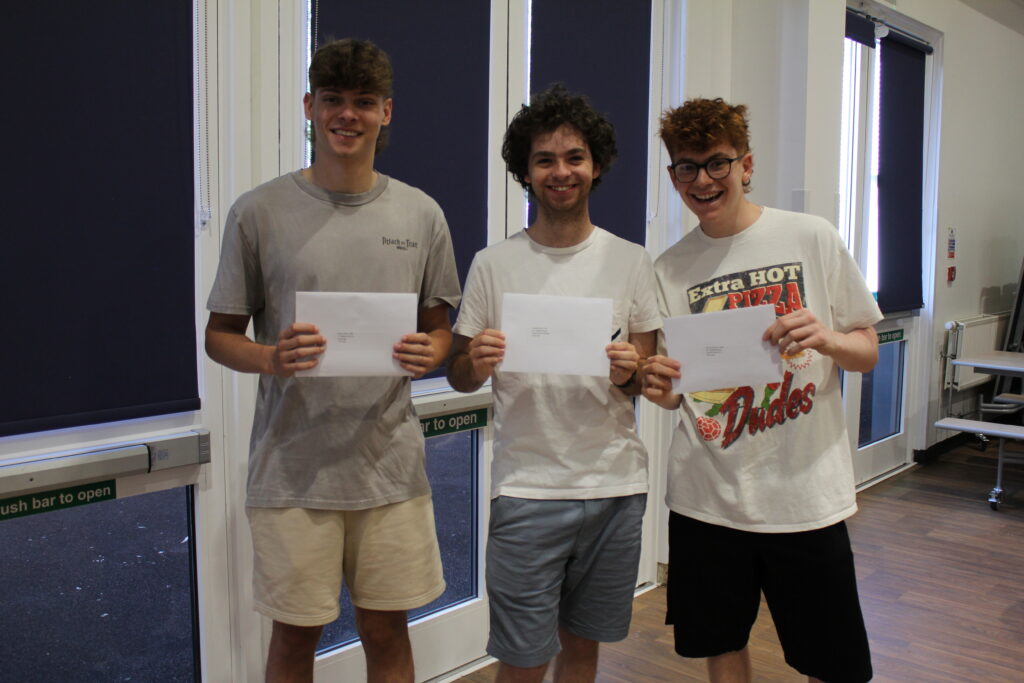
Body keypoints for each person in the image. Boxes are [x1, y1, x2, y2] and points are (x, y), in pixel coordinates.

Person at [205, 38, 460, 683]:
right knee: (294, 637)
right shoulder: (258, 212)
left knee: (385, 630)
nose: (348, 115)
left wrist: (426, 353)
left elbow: (441, 332)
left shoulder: (421, 213)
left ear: (387, 112)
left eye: (364, 103)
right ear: (309, 107)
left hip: (389, 470)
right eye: (334, 101)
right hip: (293, 471)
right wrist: (273, 358)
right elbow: (219, 336)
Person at [641, 97, 881, 683]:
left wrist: (826, 338)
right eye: (687, 167)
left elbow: (868, 351)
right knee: (721, 643)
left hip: (805, 496)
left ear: (746, 165)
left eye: (717, 163)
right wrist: (657, 386)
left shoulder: (810, 237)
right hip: (707, 498)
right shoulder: (666, 269)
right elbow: (676, 394)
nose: (703, 180)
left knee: (833, 660)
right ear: (673, 177)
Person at [447, 84, 661, 683]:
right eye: (544, 159)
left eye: (574, 158)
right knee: (521, 658)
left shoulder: (631, 261)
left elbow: (643, 378)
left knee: (583, 652)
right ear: (525, 171)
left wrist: (629, 372)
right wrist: (477, 362)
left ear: (596, 165)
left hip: (615, 487)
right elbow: (459, 375)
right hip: (527, 488)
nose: (560, 172)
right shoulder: (494, 264)